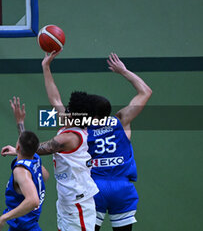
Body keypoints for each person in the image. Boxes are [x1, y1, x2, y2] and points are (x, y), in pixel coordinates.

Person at [40, 52, 152, 231]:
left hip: (95, 187)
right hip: (122, 187)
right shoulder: (121, 121)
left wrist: (46, 67)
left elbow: (55, 100)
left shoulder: (80, 128)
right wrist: (123, 71)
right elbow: (146, 91)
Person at [2, 96, 99, 230]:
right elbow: (55, 99)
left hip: (78, 202)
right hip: (66, 200)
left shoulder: (68, 138)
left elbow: (31, 148)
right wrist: (46, 73)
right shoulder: (71, 125)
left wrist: (20, 123)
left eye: (69, 110)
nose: (65, 110)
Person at [0, 98, 49, 231]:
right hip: (28, 226)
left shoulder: (21, 171)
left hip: (23, 228)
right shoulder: (35, 159)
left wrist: (3, 218)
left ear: (17, 147)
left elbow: (33, 200)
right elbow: (45, 176)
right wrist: (20, 122)